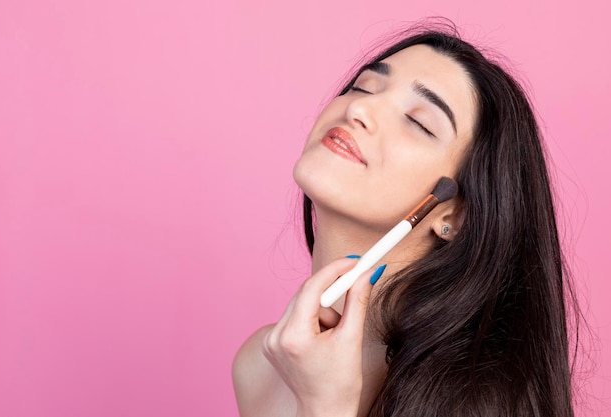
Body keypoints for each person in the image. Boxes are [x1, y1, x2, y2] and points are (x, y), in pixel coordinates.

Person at [232, 22, 577, 417]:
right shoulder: (259, 365)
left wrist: (325, 407)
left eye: (419, 122)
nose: (359, 109)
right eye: (362, 87)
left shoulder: (473, 404)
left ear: (453, 213)